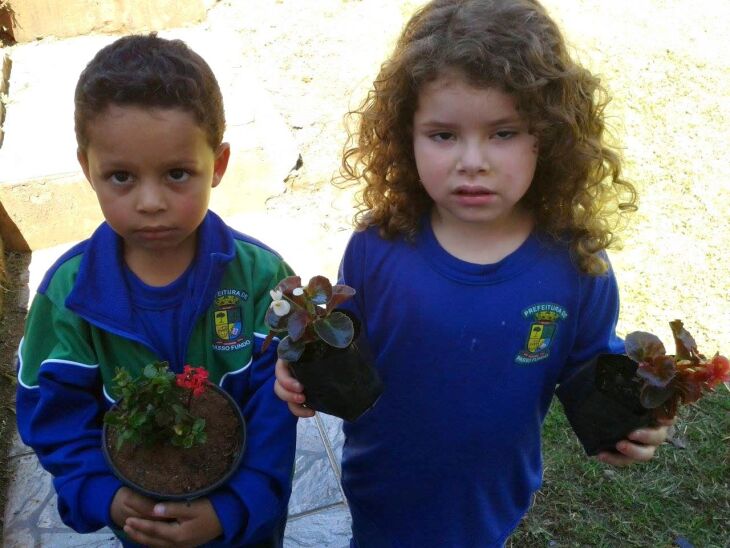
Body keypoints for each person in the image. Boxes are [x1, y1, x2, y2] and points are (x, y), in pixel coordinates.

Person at [274, 1, 672, 546]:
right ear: (406, 134)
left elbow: (590, 372)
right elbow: (343, 348)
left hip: (491, 503)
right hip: (382, 493)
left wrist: (634, 422)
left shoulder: (578, 271)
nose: (472, 161)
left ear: (548, 136)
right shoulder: (378, 246)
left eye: (503, 133)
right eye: (443, 135)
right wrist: (299, 375)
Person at [16, 34, 297, 547]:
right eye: (121, 176)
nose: (150, 202)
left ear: (218, 164)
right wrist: (105, 494)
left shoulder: (261, 280)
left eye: (176, 174)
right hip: (141, 520)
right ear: (87, 169)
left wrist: (232, 506)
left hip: (242, 528)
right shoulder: (68, 297)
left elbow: (277, 409)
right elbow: (51, 412)